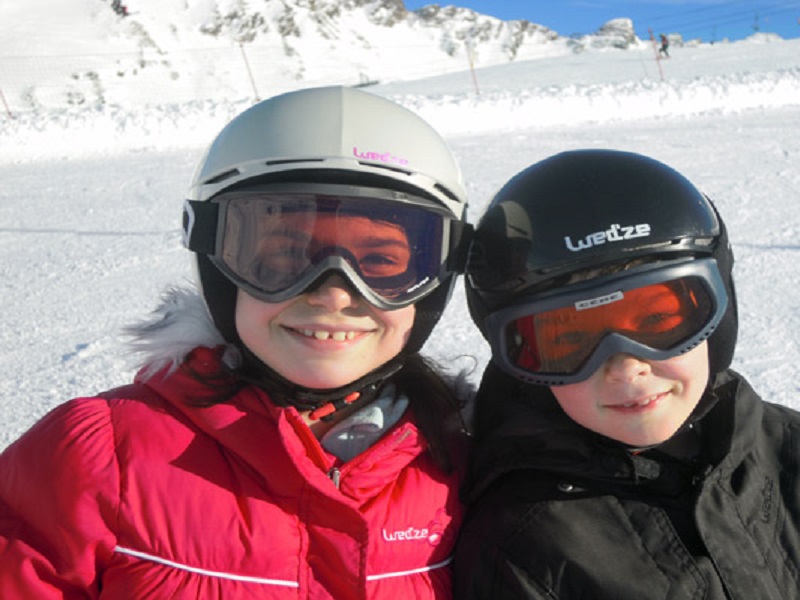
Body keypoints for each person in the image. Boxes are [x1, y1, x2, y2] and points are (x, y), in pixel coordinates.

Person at [0, 86, 474, 598]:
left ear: (438, 277)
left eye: (381, 264)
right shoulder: (99, 458)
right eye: (282, 258)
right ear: (217, 265)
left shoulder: (464, 459)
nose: (334, 294)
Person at [453, 149, 800, 599]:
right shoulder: (524, 545)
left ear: (719, 312)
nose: (626, 367)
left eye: (657, 323)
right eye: (571, 341)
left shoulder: (786, 448)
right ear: (522, 364)